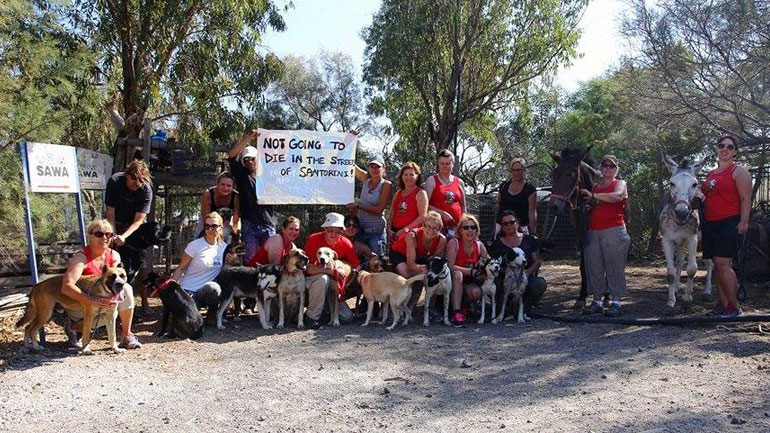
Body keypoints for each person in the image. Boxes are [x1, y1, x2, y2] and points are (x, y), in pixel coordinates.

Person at [60, 219, 141, 349]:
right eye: (99, 234)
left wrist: (106, 300)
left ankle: (126, 335)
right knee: (102, 309)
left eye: (108, 234)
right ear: (90, 235)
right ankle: (74, 325)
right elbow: (66, 287)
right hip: (80, 304)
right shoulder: (81, 258)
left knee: (126, 289)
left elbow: (116, 280)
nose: (104, 237)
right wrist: (91, 299)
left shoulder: (114, 255)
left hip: (101, 303)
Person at [701, 135, 752, 316]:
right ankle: (722, 305)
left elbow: (746, 199)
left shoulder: (738, 171)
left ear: (735, 152)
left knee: (724, 264)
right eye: (721, 145)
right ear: (716, 148)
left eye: (730, 147)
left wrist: (744, 221)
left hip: (729, 221)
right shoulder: (711, 174)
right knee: (717, 265)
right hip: (710, 224)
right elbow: (705, 197)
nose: (725, 149)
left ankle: (734, 307)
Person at [579, 155, 630, 317]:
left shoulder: (620, 184)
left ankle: (616, 302)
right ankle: (597, 301)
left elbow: (617, 197)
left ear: (616, 169)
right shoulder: (596, 187)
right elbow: (591, 204)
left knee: (614, 266)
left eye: (611, 166)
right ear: (601, 168)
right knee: (594, 267)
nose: (608, 168)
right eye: (605, 165)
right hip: (594, 231)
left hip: (614, 230)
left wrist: (593, 196)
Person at [105, 159, 153, 311]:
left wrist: (124, 236)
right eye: (134, 178)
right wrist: (112, 234)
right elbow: (110, 211)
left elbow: (139, 220)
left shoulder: (146, 190)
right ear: (127, 175)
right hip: (115, 223)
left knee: (139, 264)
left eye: (141, 180)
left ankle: (144, 302)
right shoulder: (115, 181)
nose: (137, 183)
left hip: (134, 228)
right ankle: (110, 303)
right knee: (112, 262)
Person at [303, 212, 362, 329]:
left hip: (334, 284)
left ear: (342, 231)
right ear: (325, 229)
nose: (334, 234)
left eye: (338, 231)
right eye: (330, 230)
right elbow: (307, 268)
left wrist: (345, 280)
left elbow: (357, 267)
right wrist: (332, 272)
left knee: (346, 318)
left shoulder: (346, 243)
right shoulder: (313, 239)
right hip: (313, 280)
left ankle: (325, 312)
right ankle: (312, 317)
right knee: (322, 279)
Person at [171, 212, 239, 311]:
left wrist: (235, 261)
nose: (210, 229)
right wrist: (171, 288)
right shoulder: (194, 245)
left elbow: (232, 268)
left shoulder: (224, 248)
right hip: (188, 292)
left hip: (206, 292)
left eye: (214, 226)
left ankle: (212, 315)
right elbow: (181, 268)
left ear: (221, 227)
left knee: (214, 287)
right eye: (207, 226)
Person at [227, 129, 275, 262]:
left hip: (267, 222)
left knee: (271, 257)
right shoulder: (242, 175)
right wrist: (247, 138)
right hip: (250, 224)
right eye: (246, 160)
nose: (249, 162)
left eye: (252, 159)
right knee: (252, 259)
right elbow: (231, 156)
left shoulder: (269, 174)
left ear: (257, 159)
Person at [488, 210, 547, 313]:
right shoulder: (497, 244)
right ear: (501, 226)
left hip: (525, 276)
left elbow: (537, 260)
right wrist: (505, 272)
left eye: (512, 222)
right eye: (505, 223)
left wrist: (527, 272)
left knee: (539, 283)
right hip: (504, 278)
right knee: (494, 285)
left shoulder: (528, 240)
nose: (509, 225)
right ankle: (503, 307)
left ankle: (530, 303)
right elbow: (493, 264)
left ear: (518, 223)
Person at [445, 214, 489, 327]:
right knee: (457, 274)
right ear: (460, 230)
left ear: (477, 230)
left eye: (473, 227)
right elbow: (450, 266)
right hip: (454, 281)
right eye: (466, 227)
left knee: (476, 292)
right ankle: (456, 312)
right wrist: (470, 271)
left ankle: (466, 308)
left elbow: (489, 262)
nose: (470, 230)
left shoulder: (479, 245)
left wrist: (483, 267)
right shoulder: (454, 243)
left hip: (469, 282)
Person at [348, 159, 393, 256]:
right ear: (368, 168)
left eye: (378, 167)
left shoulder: (386, 185)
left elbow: (378, 210)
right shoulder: (366, 180)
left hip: (376, 233)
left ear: (383, 169)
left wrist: (359, 206)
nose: (374, 169)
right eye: (372, 166)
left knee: (376, 264)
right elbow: (351, 165)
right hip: (360, 231)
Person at [390, 210, 448, 278]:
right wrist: (422, 268)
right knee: (408, 274)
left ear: (439, 229)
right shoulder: (412, 236)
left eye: (435, 228)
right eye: (428, 226)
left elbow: (436, 261)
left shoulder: (442, 240)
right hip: (399, 254)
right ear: (423, 226)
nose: (431, 230)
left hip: (419, 256)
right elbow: (410, 264)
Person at [424, 149, 466, 237]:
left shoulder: (459, 182)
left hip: (456, 228)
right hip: (436, 228)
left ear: (453, 165)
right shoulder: (432, 180)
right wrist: (442, 213)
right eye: (442, 163)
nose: (444, 166)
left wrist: (464, 225)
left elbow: (463, 206)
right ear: (438, 164)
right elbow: (425, 205)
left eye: (447, 164)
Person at [388, 161, 429, 243]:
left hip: (411, 234)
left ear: (417, 176)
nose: (408, 177)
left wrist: (405, 230)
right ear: (402, 176)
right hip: (395, 234)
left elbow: (422, 217)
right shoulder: (397, 194)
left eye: (411, 174)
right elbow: (392, 213)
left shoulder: (421, 193)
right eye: (405, 174)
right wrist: (389, 229)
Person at [495, 158, 537, 237]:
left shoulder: (530, 189)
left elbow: (532, 212)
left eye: (519, 170)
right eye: (514, 170)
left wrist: (533, 232)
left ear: (523, 170)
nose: (516, 173)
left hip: (521, 228)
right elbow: (498, 205)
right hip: (503, 227)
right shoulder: (503, 187)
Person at [196, 171, 240, 237]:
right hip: (209, 218)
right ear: (217, 184)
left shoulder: (236, 197)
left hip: (226, 222)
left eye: (229, 186)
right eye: (222, 184)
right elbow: (206, 218)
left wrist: (235, 233)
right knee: (201, 237)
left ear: (233, 187)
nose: (225, 188)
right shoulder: (208, 194)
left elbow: (235, 219)